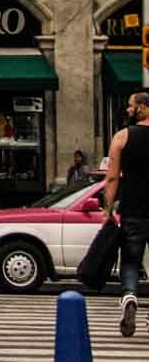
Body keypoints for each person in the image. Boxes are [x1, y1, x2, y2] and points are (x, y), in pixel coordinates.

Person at [106, 91, 149, 337]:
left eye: (131, 106)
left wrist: (107, 209)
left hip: (133, 209)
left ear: (143, 107)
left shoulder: (122, 137)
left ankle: (130, 296)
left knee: (131, 260)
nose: (128, 110)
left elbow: (112, 177)